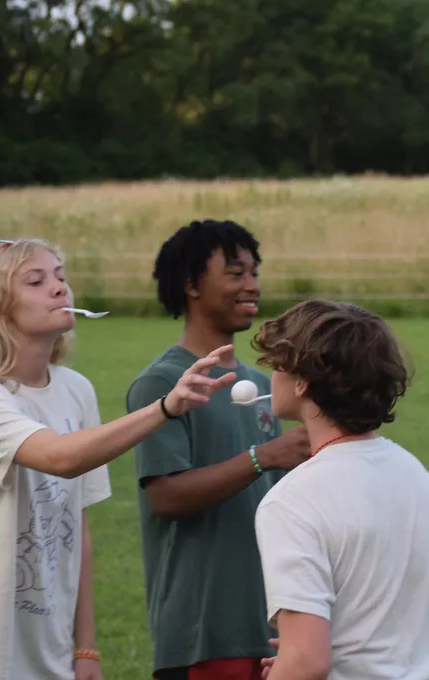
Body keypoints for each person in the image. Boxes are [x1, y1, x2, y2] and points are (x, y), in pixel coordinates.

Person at [0, 237, 236, 680]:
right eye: (36, 281)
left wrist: (86, 648)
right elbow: (59, 458)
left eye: (60, 276)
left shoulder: (76, 390)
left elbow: (78, 527)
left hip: (51, 649)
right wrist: (165, 407)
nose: (58, 288)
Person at [125, 219, 311, 680]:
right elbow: (166, 497)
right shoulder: (162, 383)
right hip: (203, 634)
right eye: (235, 274)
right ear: (191, 285)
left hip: (274, 627)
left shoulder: (269, 385)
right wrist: (261, 457)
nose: (252, 286)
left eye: (254, 273)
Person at [252, 299, 429, 680]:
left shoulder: (291, 502)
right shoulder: (421, 479)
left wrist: (290, 663)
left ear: (302, 380)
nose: (271, 375)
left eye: (276, 364)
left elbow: (307, 661)